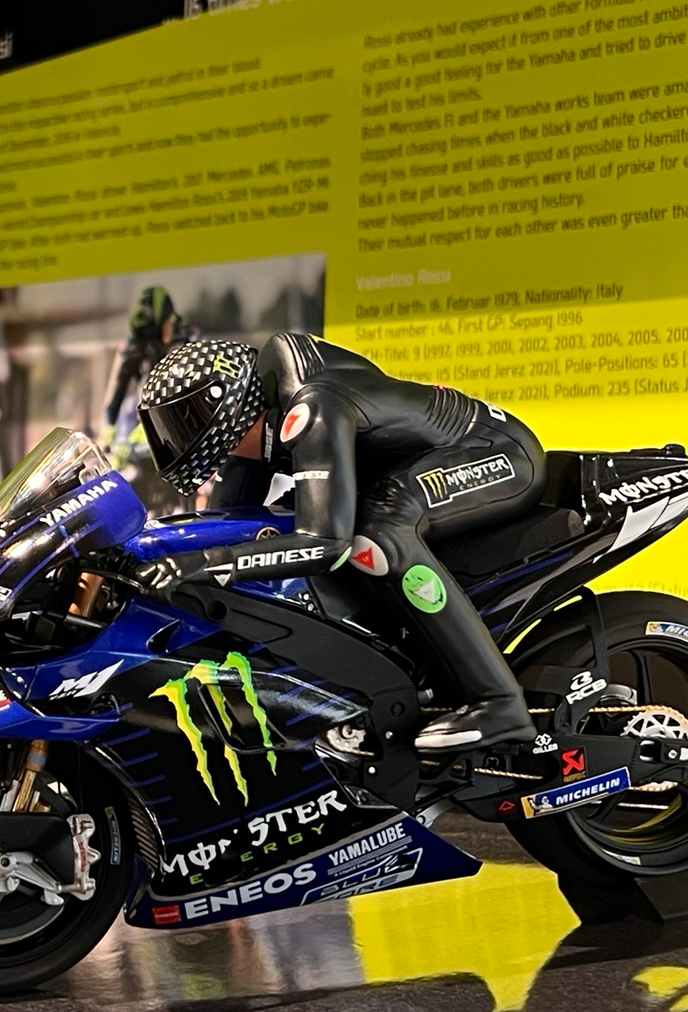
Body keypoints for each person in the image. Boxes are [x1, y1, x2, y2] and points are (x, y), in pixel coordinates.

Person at [134, 334, 545, 753]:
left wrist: (207, 563)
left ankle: (500, 703)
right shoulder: (251, 429)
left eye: (184, 419)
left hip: (497, 452)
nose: (174, 436)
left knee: (380, 531)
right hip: (423, 461)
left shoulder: (311, 410)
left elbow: (326, 543)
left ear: (223, 404)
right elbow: (226, 527)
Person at [101, 285, 195, 435]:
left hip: (187, 416)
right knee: (131, 403)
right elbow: (115, 394)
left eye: (157, 332)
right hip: (148, 419)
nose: (153, 342)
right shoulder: (133, 347)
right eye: (146, 336)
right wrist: (108, 431)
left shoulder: (188, 337)